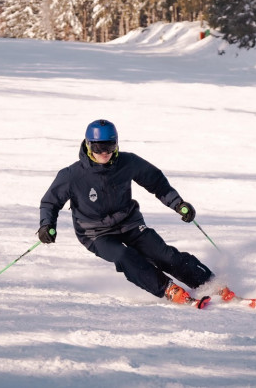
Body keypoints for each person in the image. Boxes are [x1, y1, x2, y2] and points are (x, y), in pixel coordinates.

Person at [38, 119, 235, 308]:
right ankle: (167, 289)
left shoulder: (128, 162)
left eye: (110, 146)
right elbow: (50, 202)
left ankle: (210, 284)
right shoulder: (72, 175)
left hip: (130, 223)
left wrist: (178, 204)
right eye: (98, 148)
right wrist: (47, 225)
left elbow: (156, 181)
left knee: (163, 254)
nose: (104, 152)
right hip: (96, 233)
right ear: (88, 145)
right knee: (126, 256)